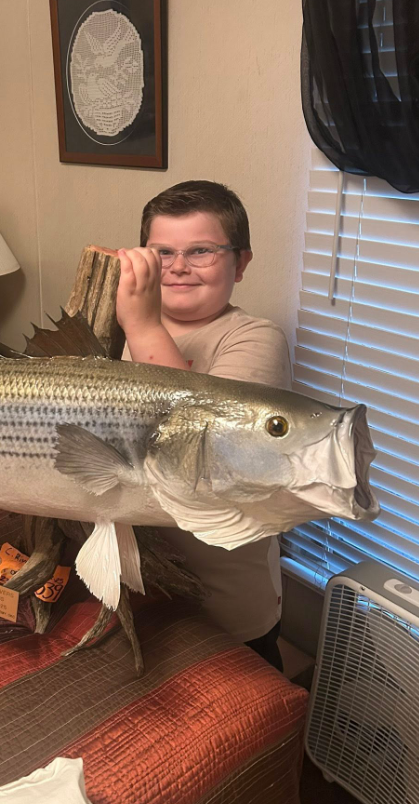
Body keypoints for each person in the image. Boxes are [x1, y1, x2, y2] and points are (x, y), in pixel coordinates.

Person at [115, 180, 291, 671]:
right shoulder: (136, 327)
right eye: (162, 252)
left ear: (241, 262)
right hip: (150, 583)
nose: (177, 267)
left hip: (229, 605)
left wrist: (142, 327)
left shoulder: (255, 339)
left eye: (201, 251)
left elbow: (202, 444)